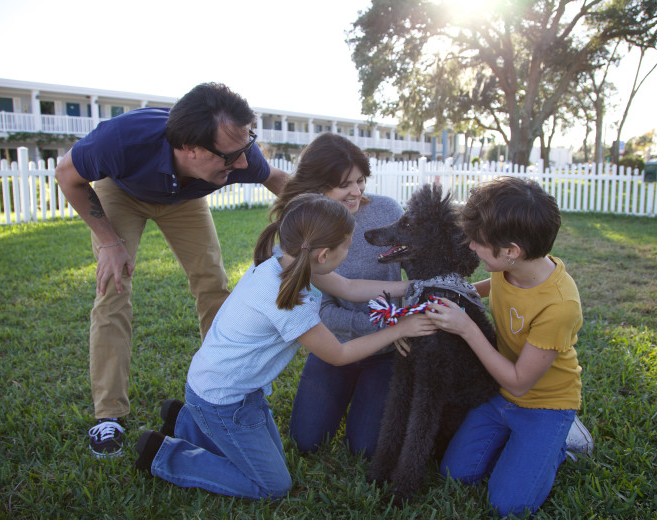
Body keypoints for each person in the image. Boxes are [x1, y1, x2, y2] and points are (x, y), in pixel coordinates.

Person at [133, 194, 436, 499]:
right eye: (347, 245)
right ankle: (164, 454)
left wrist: (413, 287)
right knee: (273, 485)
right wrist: (401, 327)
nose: (350, 250)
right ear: (323, 255)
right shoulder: (290, 301)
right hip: (223, 400)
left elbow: (348, 287)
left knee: (270, 459)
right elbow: (339, 354)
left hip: (234, 390)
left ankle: (184, 419)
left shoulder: (286, 260)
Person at [54, 83, 290, 458]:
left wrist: (335, 213)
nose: (244, 163)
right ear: (190, 149)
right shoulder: (122, 140)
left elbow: (278, 181)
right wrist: (110, 242)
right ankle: (108, 416)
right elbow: (67, 175)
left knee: (212, 283)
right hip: (122, 192)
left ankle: (226, 392)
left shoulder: (238, 152)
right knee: (112, 289)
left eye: (248, 148)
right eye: (232, 157)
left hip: (184, 197)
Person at [425, 176, 583, 517]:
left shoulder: (559, 306)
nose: (471, 247)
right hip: (500, 397)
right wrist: (455, 288)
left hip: (544, 404)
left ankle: (559, 442)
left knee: (508, 505)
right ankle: (522, 448)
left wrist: (467, 328)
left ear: (512, 251)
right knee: (454, 475)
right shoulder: (510, 266)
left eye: (478, 242)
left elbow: (518, 382)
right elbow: (491, 285)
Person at [283, 133, 404, 458]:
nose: (356, 192)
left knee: (365, 449)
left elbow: (420, 276)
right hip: (333, 346)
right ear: (318, 186)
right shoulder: (306, 229)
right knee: (305, 442)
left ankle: (368, 400)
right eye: (344, 185)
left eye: (360, 180)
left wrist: (402, 326)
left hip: (386, 351)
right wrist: (384, 325)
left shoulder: (387, 211)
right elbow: (318, 312)